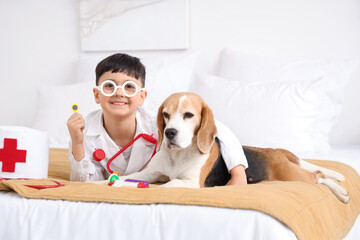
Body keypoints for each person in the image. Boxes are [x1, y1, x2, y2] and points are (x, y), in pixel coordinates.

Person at [67, 53, 248, 185]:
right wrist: (77, 142)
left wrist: (238, 172)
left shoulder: (157, 123)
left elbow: (218, 127)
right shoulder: (85, 132)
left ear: (142, 97)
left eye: (129, 86)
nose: (119, 93)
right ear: (97, 95)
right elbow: (83, 182)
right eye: (109, 86)